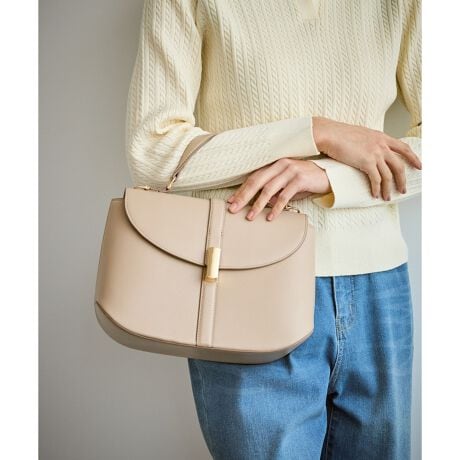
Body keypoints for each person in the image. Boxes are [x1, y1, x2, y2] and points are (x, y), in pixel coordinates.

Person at [125, 0, 421, 458]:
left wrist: (329, 176)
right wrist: (316, 133)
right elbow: (153, 150)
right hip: (243, 279)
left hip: (378, 286)